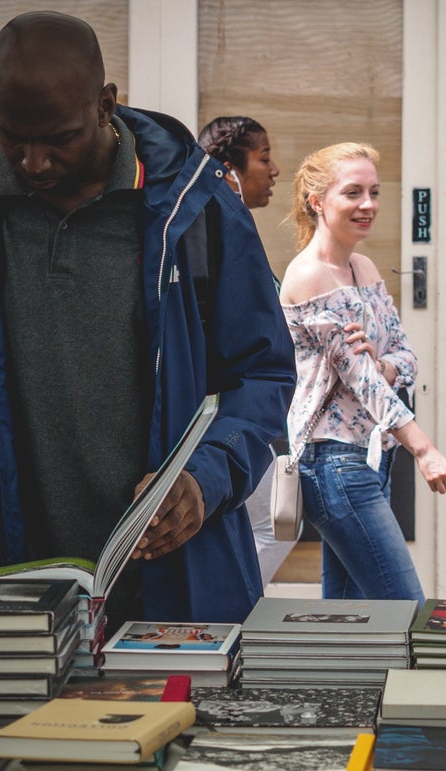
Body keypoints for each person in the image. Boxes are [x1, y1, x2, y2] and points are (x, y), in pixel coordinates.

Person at [0, 12, 295, 626]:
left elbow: (262, 373)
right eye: (16, 137)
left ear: (106, 104)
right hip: (8, 581)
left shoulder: (197, 204)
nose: (35, 162)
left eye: (59, 138)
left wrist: (205, 477)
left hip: (179, 579)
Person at [279, 142, 446, 603]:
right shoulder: (309, 277)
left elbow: (404, 356)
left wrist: (381, 363)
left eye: (374, 192)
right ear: (317, 201)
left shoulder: (362, 267)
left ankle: (337, 678)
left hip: (369, 458)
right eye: (353, 192)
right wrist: (426, 450)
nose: (368, 205)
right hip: (334, 464)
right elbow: (364, 384)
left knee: (351, 621)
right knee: (406, 609)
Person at [196, 115, 295, 585]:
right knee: (272, 528)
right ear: (227, 167)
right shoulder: (219, 226)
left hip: (244, 413)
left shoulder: (229, 225)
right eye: (264, 157)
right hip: (228, 417)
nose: (274, 170)